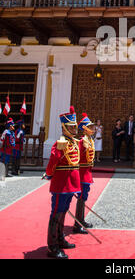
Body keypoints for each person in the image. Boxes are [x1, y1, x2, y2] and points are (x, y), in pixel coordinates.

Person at [43, 106, 81, 259]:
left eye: (74, 126)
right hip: (61, 184)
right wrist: (49, 174)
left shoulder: (73, 142)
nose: (74, 129)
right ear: (64, 128)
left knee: (63, 212)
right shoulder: (61, 142)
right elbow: (53, 162)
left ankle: (60, 239)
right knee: (56, 213)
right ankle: (52, 246)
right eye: (71, 127)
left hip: (70, 184)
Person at [73, 113, 95, 234]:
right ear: (85, 128)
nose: (93, 128)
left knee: (84, 197)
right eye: (90, 127)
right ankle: (77, 224)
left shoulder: (89, 140)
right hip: (81, 172)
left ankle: (81, 219)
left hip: (87, 171)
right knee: (81, 197)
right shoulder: (82, 141)